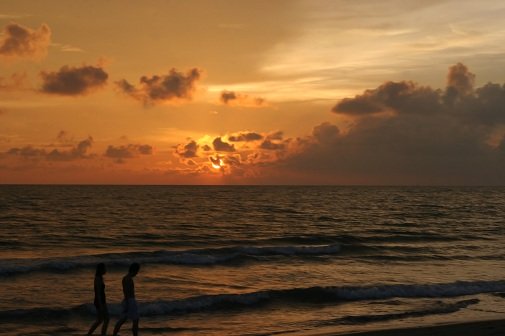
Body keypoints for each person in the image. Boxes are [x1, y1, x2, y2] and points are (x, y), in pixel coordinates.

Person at [113, 262, 141, 336]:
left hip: (127, 300)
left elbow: (125, 291)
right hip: (130, 301)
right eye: (137, 271)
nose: (137, 273)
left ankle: (114, 333)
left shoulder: (125, 278)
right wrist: (128, 303)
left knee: (123, 319)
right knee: (135, 320)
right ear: (134, 270)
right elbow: (127, 291)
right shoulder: (128, 279)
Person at [87, 263, 109, 336]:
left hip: (102, 301)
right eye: (104, 268)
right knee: (105, 319)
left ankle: (89, 334)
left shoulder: (100, 278)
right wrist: (101, 305)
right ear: (100, 269)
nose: (106, 270)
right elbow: (98, 293)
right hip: (99, 301)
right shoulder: (98, 279)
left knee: (101, 320)